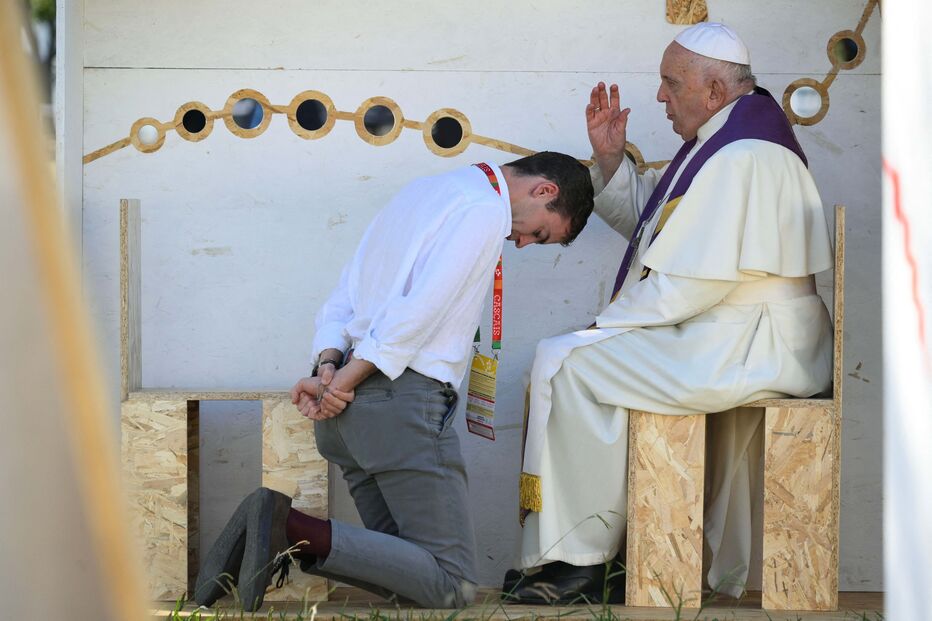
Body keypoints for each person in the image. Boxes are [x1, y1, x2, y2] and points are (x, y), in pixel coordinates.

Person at [506, 22, 835, 604]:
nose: (660, 96)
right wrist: (611, 161)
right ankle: (597, 553)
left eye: (670, 83)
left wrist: (601, 328)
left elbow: (692, 280)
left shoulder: (745, 153)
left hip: (750, 341)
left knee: (571, 366)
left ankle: (582, 562)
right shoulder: (723, 140)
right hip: (731, 331)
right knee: (571, 358)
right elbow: (663, 230)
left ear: (713, 90)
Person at [193, 151, 595, 611]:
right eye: (539, 233)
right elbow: (420, 310)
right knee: (452, 585)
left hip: (350, 415)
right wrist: (344, 379)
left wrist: (328, 366)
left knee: (405, 575)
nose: (521, 243)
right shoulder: (484, 209)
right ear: (544, 190)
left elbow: (347, 293)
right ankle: (287, 528)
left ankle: (280, 529)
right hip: (400, 405)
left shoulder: (421, 191)